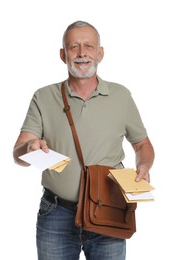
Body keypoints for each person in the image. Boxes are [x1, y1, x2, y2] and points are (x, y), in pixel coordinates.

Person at [13, 20, 155, 260]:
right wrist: (30, 147)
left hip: (109, 210)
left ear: (100, 53)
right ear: (62, 54)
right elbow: (18, 154)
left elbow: (142, 145)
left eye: (89, 46)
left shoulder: (121, 96)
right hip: (56, 213)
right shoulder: (43, 96)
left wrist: (144, 165)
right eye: (73, 47)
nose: (81, 53)